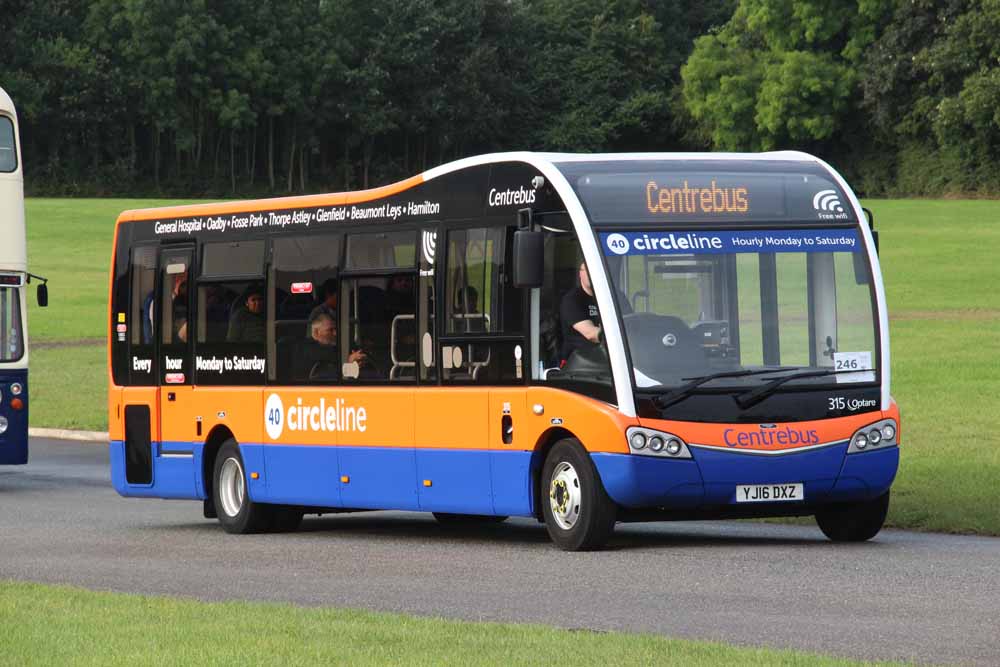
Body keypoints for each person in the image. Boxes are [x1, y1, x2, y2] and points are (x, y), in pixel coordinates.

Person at [559, 261, 631, 362]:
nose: (592, 272)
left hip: (614, 358)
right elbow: (590, 334)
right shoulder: (572, 299)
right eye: (588, 269)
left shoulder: (617, 297)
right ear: (580, 274)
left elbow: (630, 323)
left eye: (595, 269)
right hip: (580, 363)